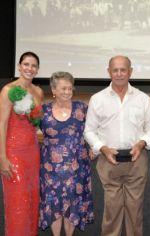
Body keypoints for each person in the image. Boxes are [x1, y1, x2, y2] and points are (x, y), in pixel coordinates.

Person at [84, 55, 150, 236]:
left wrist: (141, 143)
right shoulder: (97, 99)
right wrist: (102, 148)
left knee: (135, 211)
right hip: (109, 160)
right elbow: (89, 131)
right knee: (112, 211)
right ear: (109, 72)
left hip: (137, 159)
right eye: (114, 70)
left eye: (123, 70)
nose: (119, 74)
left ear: (130, 72)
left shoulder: (143, 99)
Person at [39, 71, 94, 236]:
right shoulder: (43, 111)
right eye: (63, 88)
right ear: (53, 90)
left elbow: (94, 130)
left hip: (77, 167)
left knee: (73, 204)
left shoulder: (82, 109)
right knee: (53, 205)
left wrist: (93, 147)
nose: (67, 92)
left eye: (70, 88)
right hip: (50, 170)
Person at [0, 51, 44, 236]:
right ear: (19, 66)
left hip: (32, 152)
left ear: (37, 69)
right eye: (26, 64)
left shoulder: (38, 91)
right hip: (13, 152)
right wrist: (2, 157)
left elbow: (36, 124)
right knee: (17, 202)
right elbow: (1, 124)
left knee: (32, 200)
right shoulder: (8, 90)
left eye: (33, 66)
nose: (29, 68)